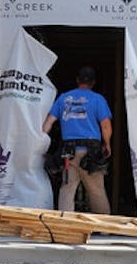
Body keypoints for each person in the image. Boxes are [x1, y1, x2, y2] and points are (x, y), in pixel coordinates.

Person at [42, 66, 113, 214]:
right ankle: (103, 226)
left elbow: (48, 123)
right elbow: (106, 125)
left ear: (77, 80)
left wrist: (41, 144)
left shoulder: (63, 98)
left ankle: (64, 224)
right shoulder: (98, 99)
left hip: (69, 153)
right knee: (96, 191)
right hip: (91, 152)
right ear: (93, 82)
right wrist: (107, 144)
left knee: (67, 189)